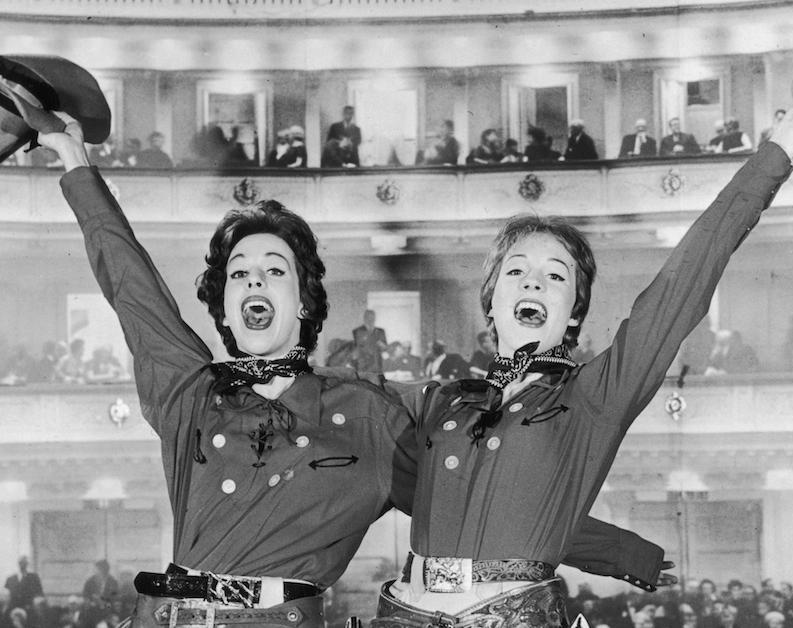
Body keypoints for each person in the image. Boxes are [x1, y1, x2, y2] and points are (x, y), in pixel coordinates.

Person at [37, 117, 662, 627]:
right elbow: (132, 288)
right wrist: (75, 164)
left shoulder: (368, 415)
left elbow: (486, 500)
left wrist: (623, 553)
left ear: (304, 300)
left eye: (274, 269)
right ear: (223, 302)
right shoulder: (187, 394)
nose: (254, 279)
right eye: (239, 273)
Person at [371, 87, 793, 628]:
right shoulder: (438, 404)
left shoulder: (593, 395)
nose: (534, 281)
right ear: (491, 301)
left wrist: (781, 145)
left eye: (555, 276)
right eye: (516, 271)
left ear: (572, 314)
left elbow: (686, 278)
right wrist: (616, 550)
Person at [81, 560, 118, 628]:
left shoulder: (113, 582)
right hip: (92, 612)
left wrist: (103, 602)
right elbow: (85, 595)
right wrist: (90, 601)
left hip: (107, 613)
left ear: (103, 570)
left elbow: (113, 599)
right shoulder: (90, 581)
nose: (95, 571)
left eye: (97, 569)